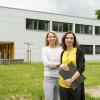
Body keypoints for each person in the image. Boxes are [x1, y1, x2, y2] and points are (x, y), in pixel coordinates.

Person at [59, 32, 85, 100]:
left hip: (75, 83)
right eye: (67, 38)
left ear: (74, 40)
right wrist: (61, 66)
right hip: (63, 84)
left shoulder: (79, 51)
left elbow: (82, 68)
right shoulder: (63, 52)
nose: (69, 40)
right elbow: (60, 68)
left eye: (71, 38)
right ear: (64, 40)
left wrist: (71, 80)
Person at [42, 31, 62, 100]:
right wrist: (58, 65)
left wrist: (52, 66)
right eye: (50, 37)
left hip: (60, 77)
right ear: (47, 39)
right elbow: (46, 63)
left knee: (57, 98)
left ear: (56, 38)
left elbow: (63, 62)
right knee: (48, 98)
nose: (52, 38)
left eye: (54, 36)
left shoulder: (61, 49)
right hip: (48, 77)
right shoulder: (44, 49)